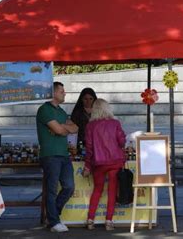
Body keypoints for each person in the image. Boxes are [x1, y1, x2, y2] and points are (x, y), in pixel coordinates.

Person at [36, 81, 78, 233]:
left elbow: (74, 128)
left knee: (69, 186)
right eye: (62, 91)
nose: (64, 93)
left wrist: (62, 127)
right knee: (52, 189)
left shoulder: (61, 111)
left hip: (63, 154)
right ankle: (54, 221)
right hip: (50, 155)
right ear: (53, 93)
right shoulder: (44, 110)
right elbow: (61, 131)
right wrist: (62, 128)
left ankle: (53, 215)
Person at [83, 99, 126, 231]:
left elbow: (89, 148)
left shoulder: (90, 126)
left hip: (99, 163)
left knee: (97, 190)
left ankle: (90, 220)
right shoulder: (115, 123)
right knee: (112, 191)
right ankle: (109, 221)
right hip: (115, 161)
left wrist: (87, 166)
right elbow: (122, 142)